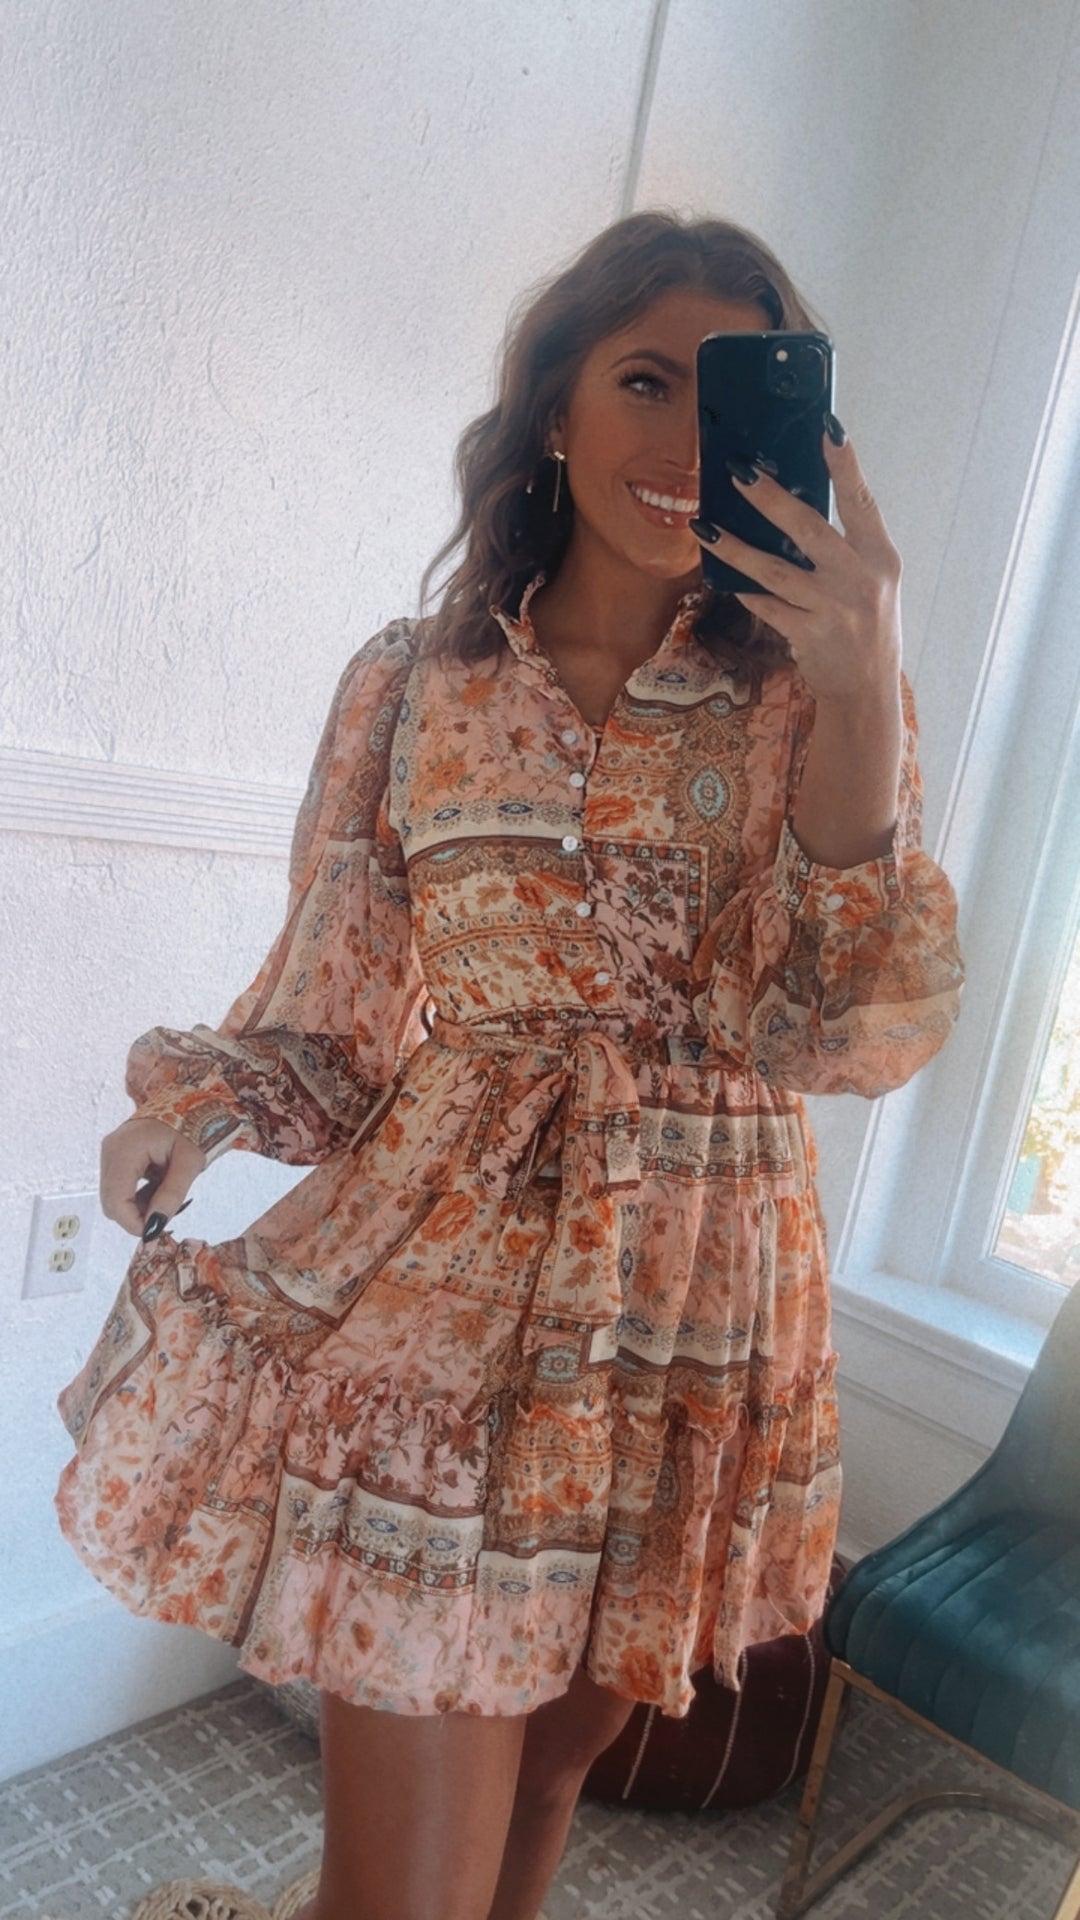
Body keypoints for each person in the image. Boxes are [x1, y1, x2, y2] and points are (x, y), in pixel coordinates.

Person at [54, 211, 963, 1920]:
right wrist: (198, 1106)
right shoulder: (412, 688)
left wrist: (866, 684)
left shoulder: (817, 697)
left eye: (731, 394)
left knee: (547, 1785)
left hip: (696, 1314)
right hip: (446, 1311)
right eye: (645, 380)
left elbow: (842, 1035)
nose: (687, 436)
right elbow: (332, 1019)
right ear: (555, 408)